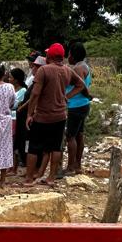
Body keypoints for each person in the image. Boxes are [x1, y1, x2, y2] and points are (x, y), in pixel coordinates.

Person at [25, 44, 84, 186]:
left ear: (49, 56)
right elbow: (80, 85)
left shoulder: (44, 70)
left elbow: (35, 94)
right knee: (55, 147)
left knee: (34, 147)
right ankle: (51, 177)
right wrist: (67, 96)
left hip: (42, 116)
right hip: (60, 116)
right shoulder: (67, 70)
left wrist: (29, 114)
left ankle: (28, 179)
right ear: (62, 57)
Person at [63, 42, 93, 176]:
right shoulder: (84, 66)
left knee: (71, 136)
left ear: (73, 56)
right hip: (83, 104)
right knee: (79, 135)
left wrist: (66, 97)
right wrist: (88, 96)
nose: (67, 56)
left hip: (76, 105)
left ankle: (70, 167)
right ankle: (77, 165)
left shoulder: (78, 68)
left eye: (69, 54)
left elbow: (81, 86)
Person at [9, 67, 30, 177]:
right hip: (11, 118)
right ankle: (12, 167)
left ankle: (15, 167)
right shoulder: (11, 89)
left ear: (16, 80)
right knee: (12, 143)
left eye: (11, 77)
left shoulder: (22, 91)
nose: (9, 79)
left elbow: (14, 105)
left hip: (17, 119)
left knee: (17, 142)